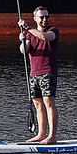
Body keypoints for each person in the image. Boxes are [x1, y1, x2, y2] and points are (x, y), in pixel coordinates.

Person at [18, 7, 58, 144]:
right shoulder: (30, 34)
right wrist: (22, 39)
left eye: (47, 17)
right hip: (34, 73)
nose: (45, 20)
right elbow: (24, 50)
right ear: (35, 19)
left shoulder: (53, 31)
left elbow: (43, 37)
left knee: (49, 102)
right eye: (41, 17)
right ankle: (41, 134)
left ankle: (52, 136)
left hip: (48, 72)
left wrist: (27, 28)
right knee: (38, 104)